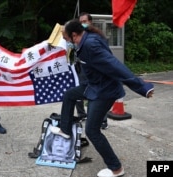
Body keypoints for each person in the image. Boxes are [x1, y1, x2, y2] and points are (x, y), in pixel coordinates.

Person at [50, 19, 154, 177]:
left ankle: (116, 168)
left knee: (92, 130)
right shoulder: (86, 38)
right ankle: (65, 130)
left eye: (66, 39)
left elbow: (114, 66)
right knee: (70, 95)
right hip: (93, 85)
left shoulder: (91, 45)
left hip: (104, 91)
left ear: (74, 35)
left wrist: (142, 87)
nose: (66, 42)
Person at [79, 12, 108, 129]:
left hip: (95, 70)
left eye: (84, 22)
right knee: (78, 92)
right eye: (80, 22)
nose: (82, 24)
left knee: (98, 94)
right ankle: (82, 115)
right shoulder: (77, 35)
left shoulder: (97, 36)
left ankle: (102, 120)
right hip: (81, 69)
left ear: (90, 22)